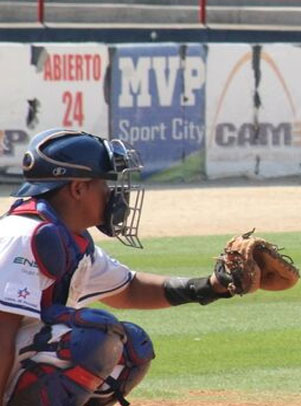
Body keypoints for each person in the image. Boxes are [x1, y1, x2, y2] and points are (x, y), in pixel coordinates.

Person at [0, 129, 236, 406]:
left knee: (132, 349)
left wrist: (212, 286)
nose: (114, 193)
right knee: (92, 338)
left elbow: (129, 290)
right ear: (78, 188)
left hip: (16, 353)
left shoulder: (67, 237)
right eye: (106, 183)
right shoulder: (24, 237)